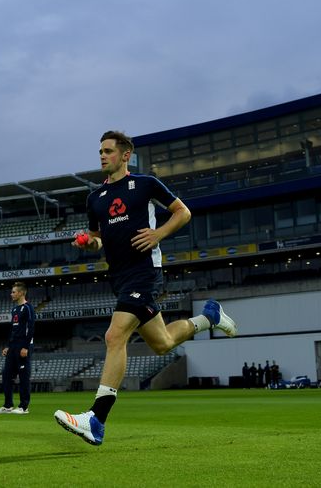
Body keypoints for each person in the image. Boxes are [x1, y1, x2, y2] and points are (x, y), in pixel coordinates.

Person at [53, 130, 237, 446]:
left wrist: (158, 234)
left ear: (125, 155)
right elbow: (98, 239)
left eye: (108, 151)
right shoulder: (94, 198)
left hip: (145, 272)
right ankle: (209, 317)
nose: (102, 156)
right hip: (120, 277)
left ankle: (96, 419)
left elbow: (183, 212)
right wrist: (89, 242)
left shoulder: (146, 184)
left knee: (115, 335)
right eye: (100, 151)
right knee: (163, 342)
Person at [0, 281, 36, 415]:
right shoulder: (14, 310)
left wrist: (26, 347)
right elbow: (13, 330)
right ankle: (8, 405)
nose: (11, 294)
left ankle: (24, 407)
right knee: (6, 376)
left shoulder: (28, 308)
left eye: (13, 292)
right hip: (13, 347)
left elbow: (31, 328)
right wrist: (8, 346)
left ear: (21, 293)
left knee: (23, 377)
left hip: (23, 347)